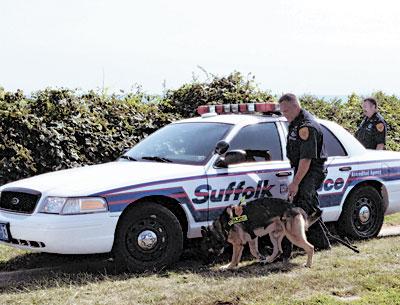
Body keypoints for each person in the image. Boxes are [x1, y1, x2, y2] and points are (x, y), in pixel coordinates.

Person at [278, 93, 331, 256]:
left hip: (311, 170)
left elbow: (306, 159)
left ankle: (292, 248)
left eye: (286, 111)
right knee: (310, 207)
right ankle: (322, 243)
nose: (284, 115)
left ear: (296, 106)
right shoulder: (295, 122)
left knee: (303, 206)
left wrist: (295, 183)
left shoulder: (306, 126)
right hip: (302, 169)